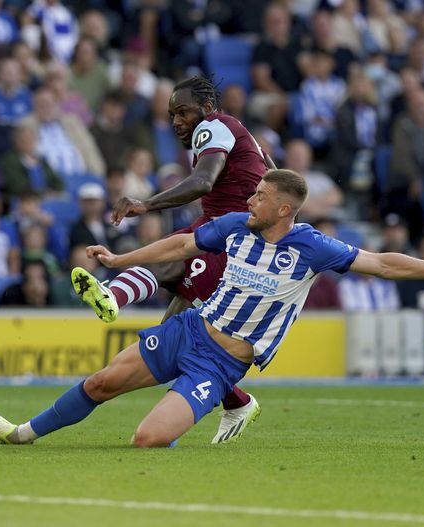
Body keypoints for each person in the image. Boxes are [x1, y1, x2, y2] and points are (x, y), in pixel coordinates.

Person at [0, 169, 424, 447]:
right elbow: (180, 248)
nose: (251, 199)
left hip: (221, 363)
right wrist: (119, 259)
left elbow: (382, 263)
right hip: (189, 329)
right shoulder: (233, 226)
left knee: (146, 440)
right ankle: (20, 434)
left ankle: (218, 404)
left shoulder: (311, 246)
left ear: (284, 209)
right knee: (99, 384)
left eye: (260, 195)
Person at [71, 75, 276, 445]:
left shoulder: (211, 128)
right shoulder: (236, 132)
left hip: (231, 237)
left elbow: (202, 182)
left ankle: (113, 297)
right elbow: (275, 175)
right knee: (173, 337)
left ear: (208, 108)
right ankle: (236, 402)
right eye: (171, 114)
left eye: (183, 111)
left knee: (168, 258)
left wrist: (145, 203)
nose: (177, 121)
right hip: (221, 229)